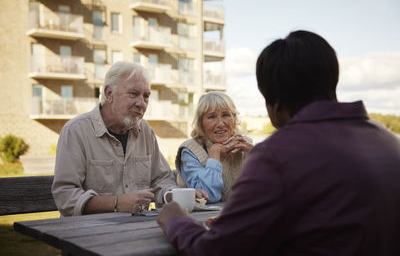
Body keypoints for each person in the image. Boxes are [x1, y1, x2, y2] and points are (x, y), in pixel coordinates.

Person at [157, 30, 400, 255]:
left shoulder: (275, 156)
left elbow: (214, 251)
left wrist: (176, 220)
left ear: (275, 103)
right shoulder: (389, 143)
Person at [52, 61, 207, 216]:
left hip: (137, 230)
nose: (141, 103)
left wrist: (172, 195)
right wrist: (116, 203)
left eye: (146, 96)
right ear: (109, 94)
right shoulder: (76, 131)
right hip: (89, 233)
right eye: (133, 94)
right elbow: (65, 196)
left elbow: (162, 179)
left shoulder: (145, 131)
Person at [175, 91, 253, 203]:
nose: (220, 123)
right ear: (201, 123)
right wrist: (214, 155)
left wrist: (257, 153)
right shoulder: (190, 151)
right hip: (200, 219)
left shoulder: (245, 146)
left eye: (226, 115)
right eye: (212, 117)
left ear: (234, 119)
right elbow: (209, 196)